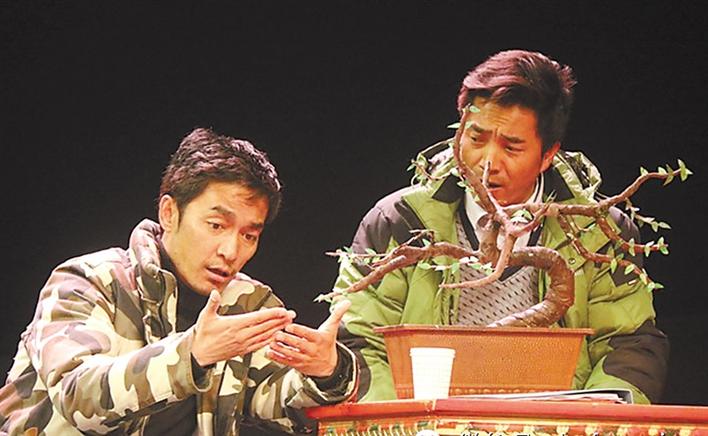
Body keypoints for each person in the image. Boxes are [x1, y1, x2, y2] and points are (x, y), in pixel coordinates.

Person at [332, 50, 668, 404]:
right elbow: (357, 340)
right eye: (476, 139)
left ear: (548, 155)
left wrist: (582, 420)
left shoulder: (599, 231)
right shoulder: (400, 221)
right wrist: (415, 420)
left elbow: (630, 344)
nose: (487, 162)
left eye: (512, 147)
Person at [0, 128, 358, 435]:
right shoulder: (87, 281)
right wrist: (193, 354)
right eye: (216, 225)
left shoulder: (246, 303)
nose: (231, 251)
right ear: (169, 213)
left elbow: (277, 402)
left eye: (249, 235)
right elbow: (79, 397)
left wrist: (326, 372)